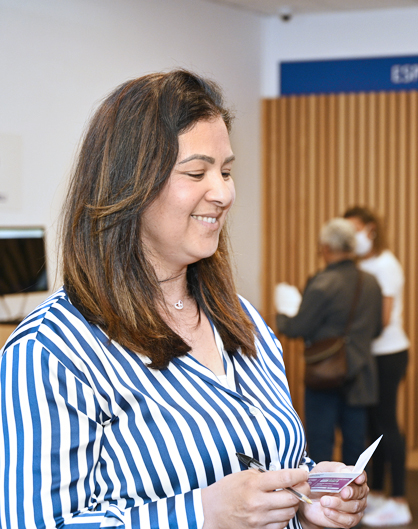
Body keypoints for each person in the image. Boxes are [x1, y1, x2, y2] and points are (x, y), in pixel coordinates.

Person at [0, 69, 368, 529]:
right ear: (128, 187)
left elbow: (265, 464)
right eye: (196, 172)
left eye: (227, 170)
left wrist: (309, 492)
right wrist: (200, 514)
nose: (224, 192)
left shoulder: (242, 320)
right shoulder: (52, 352)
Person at [274, 218, 383, 468]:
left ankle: (324, 504)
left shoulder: (322, 284)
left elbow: (297, 327)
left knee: (321, 445)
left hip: (325, 375)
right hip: (361, 374)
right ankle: (353, 504)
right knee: (356, 448)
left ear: (325, 248)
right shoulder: (371, 283)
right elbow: (376, 329)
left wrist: (282, 313)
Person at [343, 206, 412, 527]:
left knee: (387, 423)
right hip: (368, 356)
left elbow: (381, 321)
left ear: (370, 229)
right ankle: (381, 493)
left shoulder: (386, 265)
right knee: (373, 426)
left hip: (388, 354)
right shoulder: (361, 265)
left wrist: (348, 336)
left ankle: (400, 499)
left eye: (354, 228)